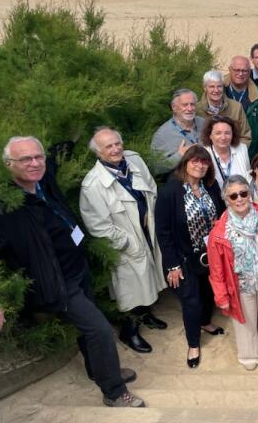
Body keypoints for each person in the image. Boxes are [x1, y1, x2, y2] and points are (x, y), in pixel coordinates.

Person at [0, 136, 145, 408]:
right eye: (25, 159)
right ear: (7, 164)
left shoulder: (43, 181)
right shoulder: (2, 208)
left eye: (38, 157)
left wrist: (71, 136)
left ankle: (99, 370)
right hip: (56, 283)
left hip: (78, 269)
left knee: (89, 330)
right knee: (98, 329)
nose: (35, 163)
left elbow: (52, 158)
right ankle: (114, 392)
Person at [80, 128, 167, 355]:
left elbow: (152, 189)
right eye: (108, 146)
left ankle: (147, 315)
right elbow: (98, 226)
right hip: (127, 244)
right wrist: (129, 243)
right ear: (98, 153)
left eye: (117, 143)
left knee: (150, 280)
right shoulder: (93, 185)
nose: (116, 149)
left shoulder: (134, 161)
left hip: (149, 231)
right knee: (132, 289)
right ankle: (130, 331)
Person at [155, 145, 226, 369]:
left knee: (207, 294)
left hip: (210, 255)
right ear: (185, 162)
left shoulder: (210, 187)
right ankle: (193, 344)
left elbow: (222, 213)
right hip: (184, 257)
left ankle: (205, 323)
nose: (200, 165)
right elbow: (163, 232)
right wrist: (172, 264)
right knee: (191, 301)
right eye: (195, 161)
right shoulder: (171, 192)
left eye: (204, 162)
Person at [207, 175, 258, 370]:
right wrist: (221, 295)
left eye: (243, 193)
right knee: (245, 320)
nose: (239, 199)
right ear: (226, 199)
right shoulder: (219, 231)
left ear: (249, 194)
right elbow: (216, 269)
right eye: (233, 196)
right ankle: (249, 354)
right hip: (239, 284)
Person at [224, 55, 258, 159]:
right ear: (229, 70)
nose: (240, 74)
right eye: (237, 70)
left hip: (249, 151)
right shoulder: (220, 89)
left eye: (244, 71)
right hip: (222, 148)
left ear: (249, 72)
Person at [150, 88, 206, 176]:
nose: (190, 108)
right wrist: (180, 155)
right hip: (182, 183)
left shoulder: (204, 124)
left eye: (192, 104)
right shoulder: (162, 134)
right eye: (185, 105)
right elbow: (155, 168)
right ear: (174, 107)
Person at [198, 70, 252, 148]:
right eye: (211, 87)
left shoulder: (236, 107)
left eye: (219, 86)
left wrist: (235, 153)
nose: (216, 90)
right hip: (205, 156)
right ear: (205, 88)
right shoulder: (197, 109)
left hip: (233, 155)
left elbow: (245, 136)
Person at [200, 115, 251, 191]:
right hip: (216, 200)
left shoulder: (242, 149)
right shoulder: (204, 153)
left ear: (232, 134)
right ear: (210, 135)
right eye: (218, 133)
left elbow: (248, 177)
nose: (223, 137)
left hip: (240, 198)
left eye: (227, 133)